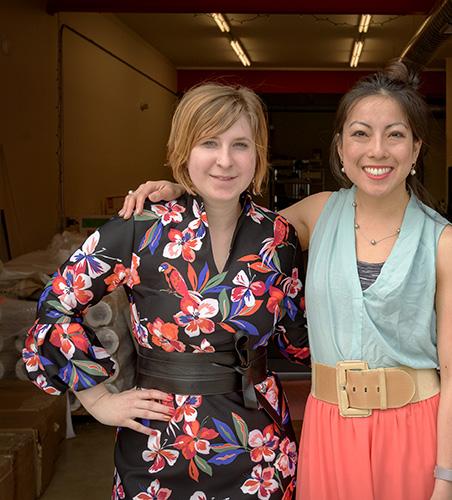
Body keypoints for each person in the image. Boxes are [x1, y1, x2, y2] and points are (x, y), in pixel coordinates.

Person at [121, 61, 452, 500]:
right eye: (361, 133)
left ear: (417, 148)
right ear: (341, 148)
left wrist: (447, 479)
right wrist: (186, 190)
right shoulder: (318, 213)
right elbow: (232, 227)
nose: (378, 150)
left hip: (415, 430)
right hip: (331, 433)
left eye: (396, 134)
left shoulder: (447, 244)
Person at [24, 83, 309, 499]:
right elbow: (56, 306)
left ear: (258, 153)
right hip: (159, 443)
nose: (225, 160)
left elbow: (298, 338)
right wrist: (98, 400)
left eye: (240, 144)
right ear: (183, 152)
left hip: (260, 445)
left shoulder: (278, 237)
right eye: (209, 142)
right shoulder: (141, 228)